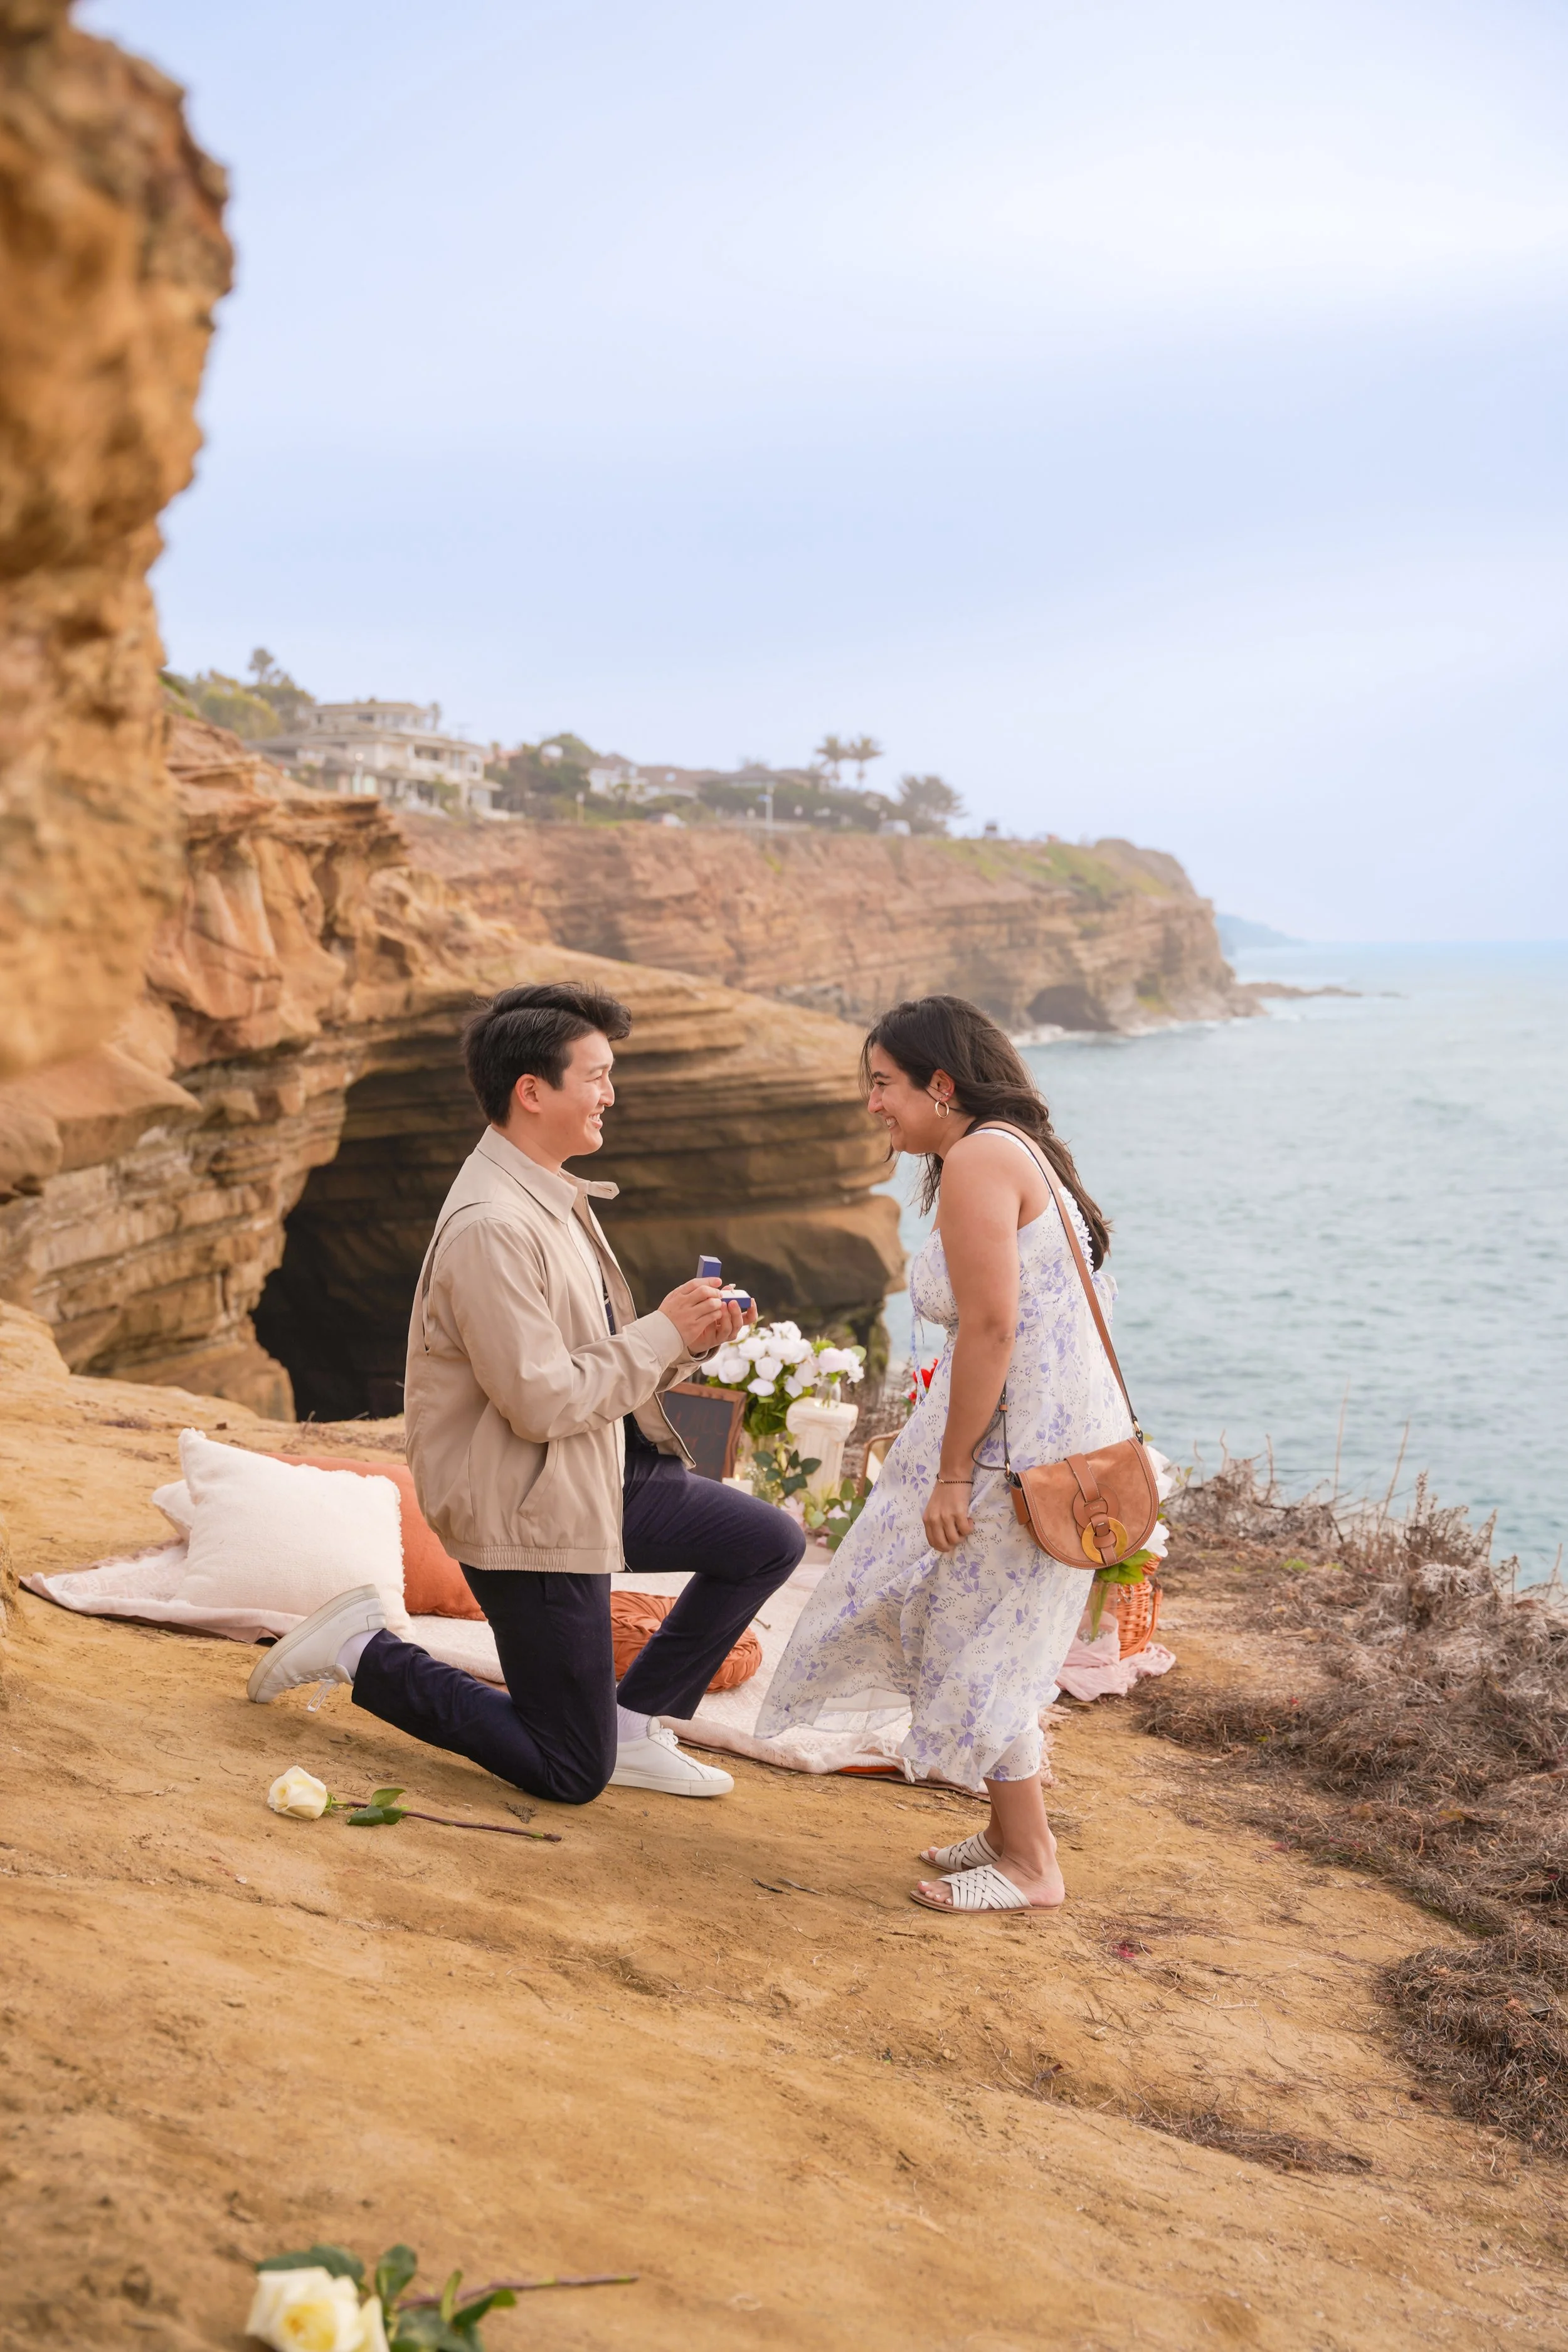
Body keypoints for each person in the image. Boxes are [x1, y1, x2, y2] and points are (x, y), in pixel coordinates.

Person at [247, 980, 805, 1803]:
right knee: (570, 1770)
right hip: (526, 1500)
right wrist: (664, 1330)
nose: (611, 1095)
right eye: (598, 1075)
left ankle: (638, 1721)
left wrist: (687, 1344)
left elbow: (587, 1364)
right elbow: (540, 1402)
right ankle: (366, 1647)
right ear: (532, 1090)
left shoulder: (549, 1191)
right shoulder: (494, 1225)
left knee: (768, 1542)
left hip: (589, 1468)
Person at [756, 993, 1128, 1912]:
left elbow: (994, 1328)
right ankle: (1006, 1833)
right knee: (972, 1626)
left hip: (1011, 1455)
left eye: (884, 1084)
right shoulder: (1014, 1150)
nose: (873, 1104)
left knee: (977, 1634)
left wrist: (956, 1469)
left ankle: (1033, 1863)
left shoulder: (977, 1160)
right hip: (1048, 1438)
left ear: (941, 1083)